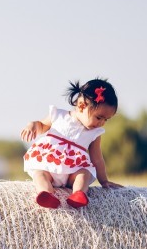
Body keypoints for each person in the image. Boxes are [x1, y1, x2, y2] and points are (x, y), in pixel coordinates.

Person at [21, 79, 124, 209]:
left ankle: (78, 194)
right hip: (49, 165)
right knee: (39, 174)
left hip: (72, 173)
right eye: (99, 117)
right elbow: (41, 126)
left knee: (84, 173)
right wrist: (32, 125)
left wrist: (104, 181)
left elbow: (97, 159)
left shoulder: (95, 133)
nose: (101, 123)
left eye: (106, 120)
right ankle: (46, 194)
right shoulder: (58, 115)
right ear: (81, 106)